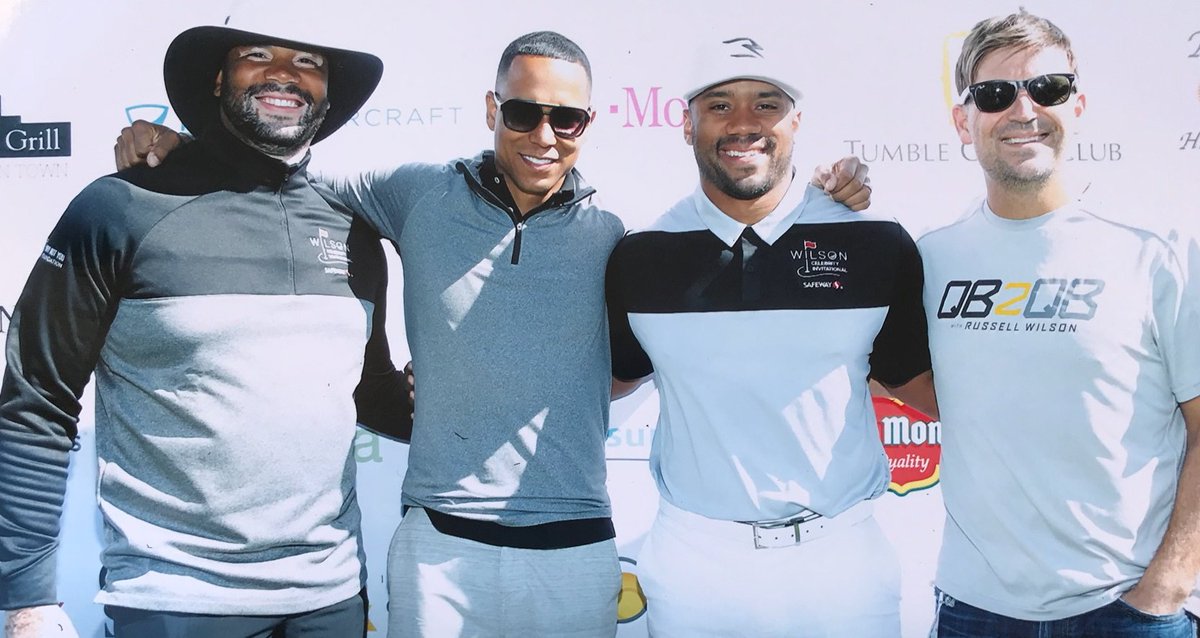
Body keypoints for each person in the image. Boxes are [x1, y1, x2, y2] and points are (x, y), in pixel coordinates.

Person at [113, 30, 872, 636]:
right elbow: (282, 173)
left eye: (565, 118)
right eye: (523, 112)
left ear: (587, 125)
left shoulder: (615, 235)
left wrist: (825, 197)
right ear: (491, 109)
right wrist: (181, 151)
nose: (544, 134)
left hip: (577, 548)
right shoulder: (416, 193)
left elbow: (728, 254)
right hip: (438, 550)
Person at [0, 15, 410, 638]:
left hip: (331, 598)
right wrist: (25, 598)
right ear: (219, 79)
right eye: (258, 54)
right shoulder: (120, 207)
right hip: (175, 601)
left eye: (308, 63)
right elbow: (34, 400)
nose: (285, 74)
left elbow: (368, 390)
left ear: (327, 93)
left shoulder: (351, 229)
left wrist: (465, 409)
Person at [604, 36, 936, 637]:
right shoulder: (641, 256)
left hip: (842, 564)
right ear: (687, 124)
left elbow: (923, 387)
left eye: (766, 104)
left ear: (795, 122)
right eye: (719, 105)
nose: (744, 123)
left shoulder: (874, 242)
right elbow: (606, 383)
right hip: (694, 564)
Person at [914, 10, 1200, 636]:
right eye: (995, 94)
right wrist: (831, 194)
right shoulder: (928, 260)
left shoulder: (1157, 252)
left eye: (1048, 88)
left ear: (1078, 105)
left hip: (1129, 609)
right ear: (963, 121)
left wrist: (1167, 586)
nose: (1024, 110)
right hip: (973, 611)